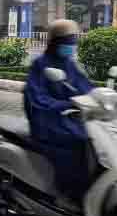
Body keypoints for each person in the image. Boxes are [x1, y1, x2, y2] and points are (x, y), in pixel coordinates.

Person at [24, 19, 95, 204]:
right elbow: (37, 98)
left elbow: (84, 86)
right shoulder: (41, 65)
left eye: (73, 41)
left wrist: (102, 99)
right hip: (46, 121)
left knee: (94, 140)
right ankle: (65, 191)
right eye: (68, 42)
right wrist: (64, 104)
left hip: (67, 118)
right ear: (56, 42)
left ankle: (87, 186)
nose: (72, 45)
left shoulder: (69, 64)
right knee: (77, 143)